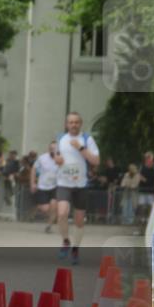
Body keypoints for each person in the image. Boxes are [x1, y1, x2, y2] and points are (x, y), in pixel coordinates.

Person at [53, 112, 100, 265]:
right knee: (62, 213)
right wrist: (57, 160)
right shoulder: (60, 138)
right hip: (64, 182)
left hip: (81, 184)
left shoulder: (87, 139)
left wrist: (81, 148)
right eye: (71, 122)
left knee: (79, 221)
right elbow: (56, 157)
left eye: (76, 122)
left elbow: (96, 161)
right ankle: (66, 241)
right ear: (67, 124)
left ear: (80, 124)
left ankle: (75, 249)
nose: (73, 125)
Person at [32, 142, 60, 231]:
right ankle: (54, 215)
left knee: (53, 204)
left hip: (55, 186)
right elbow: (33, 169)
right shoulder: (42, 158)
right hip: (42, 186)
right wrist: (32, 183)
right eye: (51, 148)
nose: (53, 150)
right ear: (49, 149)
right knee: (45, 208)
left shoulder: (61, 159)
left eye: (54, 148)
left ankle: (49, 225)